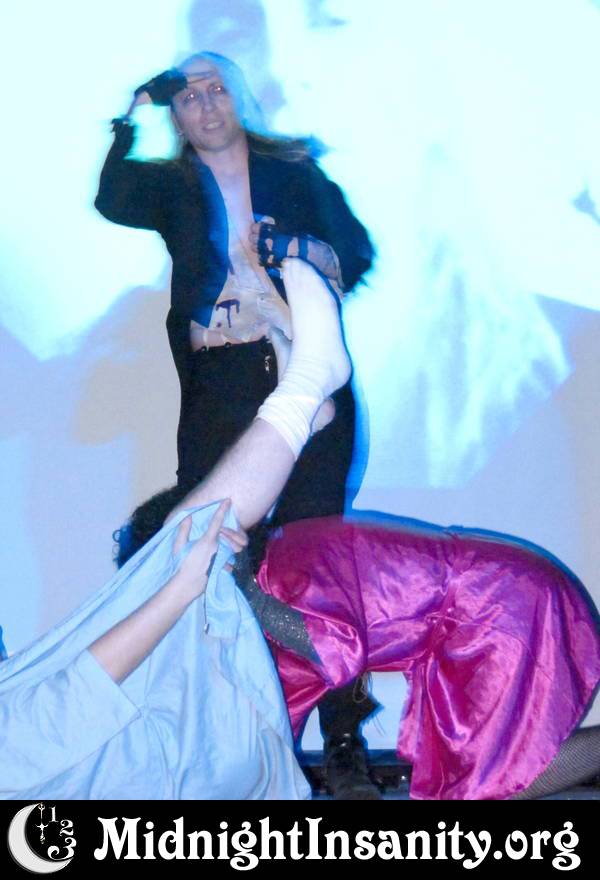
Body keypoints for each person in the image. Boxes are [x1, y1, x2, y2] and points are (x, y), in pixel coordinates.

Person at [95, 51, 378, 797]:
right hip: (218, 379)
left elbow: (356, 250)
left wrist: (296, 249)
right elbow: (110, 197)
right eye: (187, 98)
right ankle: (209, 734)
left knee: (317, 556)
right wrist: (130, 113)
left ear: (239, 97)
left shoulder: (295, 173)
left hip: (298, 368)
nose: (205, 105)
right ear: (177, 116)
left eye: (216, 89)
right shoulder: (170, 185)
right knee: (205, 550)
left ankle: (343, 739)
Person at [0, 259, 349, 800]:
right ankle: (307, 387)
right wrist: (180, 588)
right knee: (183, 541)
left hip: (163, 745)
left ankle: (307, 404)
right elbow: (69, 700)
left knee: (185, 542)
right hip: (182, 766)